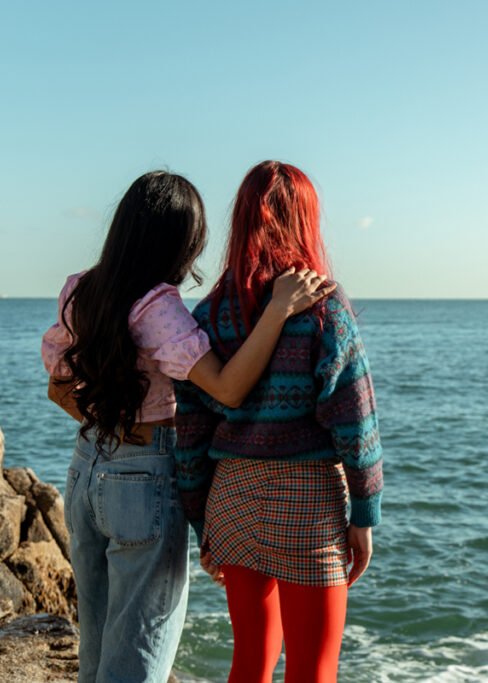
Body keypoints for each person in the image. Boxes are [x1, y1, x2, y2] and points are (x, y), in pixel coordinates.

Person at [41, 170, 333, 683]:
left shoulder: (81, 288)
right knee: (138, 649)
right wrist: (278, 310)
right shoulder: (158, 308)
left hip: (85, 467)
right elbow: (227, 388)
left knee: (97, 641)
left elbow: (59, 378)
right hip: (143, 472)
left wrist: (110, 420)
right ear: (176, 242)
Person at [174, 161, 382, 683]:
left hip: (232, 498)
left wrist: (204, 523)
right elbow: (355, 420)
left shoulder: (211, 313)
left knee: (249, 663)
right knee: (313, 671)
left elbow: (191, 430)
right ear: (307, 220)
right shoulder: (323, 309)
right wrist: (365, 515)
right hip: (308, 502)